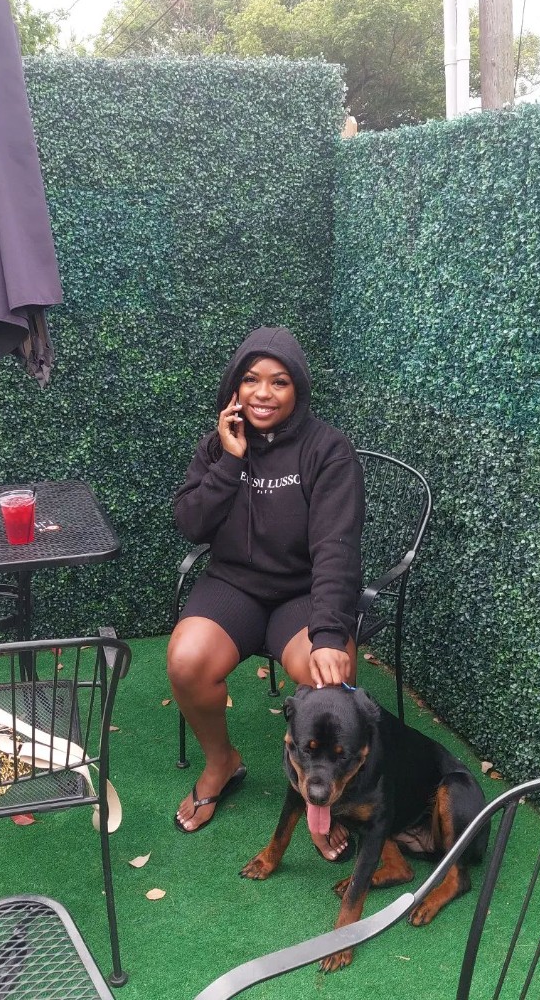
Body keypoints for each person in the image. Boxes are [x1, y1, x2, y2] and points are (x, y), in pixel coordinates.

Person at [168, 326, 365, 859]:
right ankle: (221, 762)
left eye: (279, 382)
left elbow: (336, 548)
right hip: (233, 586)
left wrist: (327, 632)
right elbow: (191, 523)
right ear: (235, 386)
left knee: (330, 673)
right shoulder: (217, 445)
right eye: (251, 379)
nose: (263, 393)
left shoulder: (329, 451)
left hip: (302, 596)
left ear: (297, 390)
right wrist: (230, 462)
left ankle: (324, 799)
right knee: (186, 660)